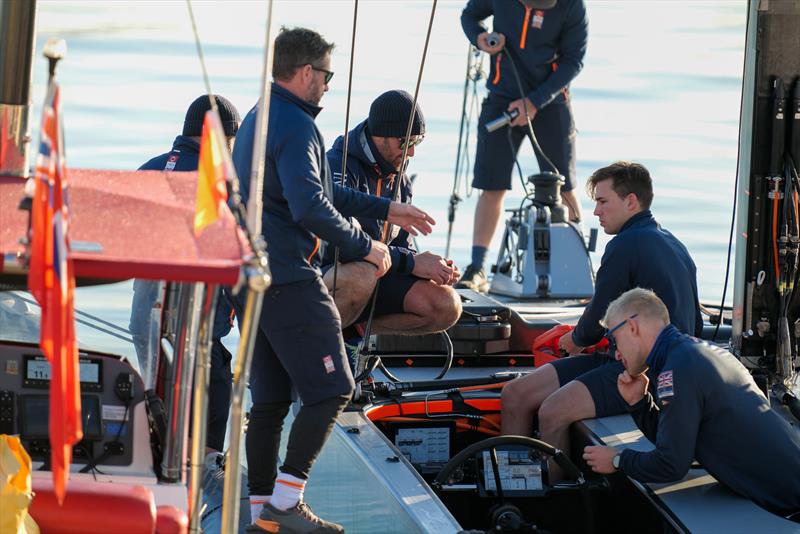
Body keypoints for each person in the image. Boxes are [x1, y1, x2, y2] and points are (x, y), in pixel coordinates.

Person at [230, 28, 435, 534]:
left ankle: (261, 517)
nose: (327, 86)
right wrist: (369, 246)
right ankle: (286, 502)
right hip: (289, 278)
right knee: (332, 389)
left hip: (249, 278)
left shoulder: (259, 115)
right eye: (326, 76)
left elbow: (324, 191)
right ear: (305, 73)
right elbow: (311, 207)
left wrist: (388, 209)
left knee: (273, 402)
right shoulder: (298, 125)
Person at [501, 161, 703, 480]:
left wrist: (575, 340)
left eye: (602, 201)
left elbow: (598, 316)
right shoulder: (672, 243)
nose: (595, 211)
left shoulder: (624, 245)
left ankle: (549, 503)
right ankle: (513, 484)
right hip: (619, 356)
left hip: (644, 370)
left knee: (552, 411)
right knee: (515, 394)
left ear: (631, 202)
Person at [583, 288, 800, 518]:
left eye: (614, 341)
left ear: (632, 327)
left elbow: (671, 465)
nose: (615, 354)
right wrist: (639, 403)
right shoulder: (693, 353)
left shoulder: (678, 369)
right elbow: (675, 441)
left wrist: (618, 459)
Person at [129, 94, 240, 466]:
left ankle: (154, 446)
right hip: (196, 330)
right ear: (221, 141)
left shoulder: (149, 169)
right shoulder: (222, 185)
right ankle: (208, 461)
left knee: (160, 382)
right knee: (217, 369)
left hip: (147, 330)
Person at [457, 0, 588, 292]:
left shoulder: (571, 6)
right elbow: (471, 15)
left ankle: (583, 264)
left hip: (551, 101)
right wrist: (480, 38)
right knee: (491, 186)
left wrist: (534, 102)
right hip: (502, 96)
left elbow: (573, 61)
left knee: (563, 187)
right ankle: (477, 267)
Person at [322, 90, 462, 344]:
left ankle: (352, 335)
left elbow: (399, 246)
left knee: (447, 304)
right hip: (332, 274)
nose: (411, 154)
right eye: (406, 143)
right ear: (381, 136)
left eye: (416, 143)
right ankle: (322, 350)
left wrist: (429, 268)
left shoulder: (400, 177)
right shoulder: (338, 166)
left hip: (377, 275)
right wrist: (411, 263)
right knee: (362, 275)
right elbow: (342, 246)